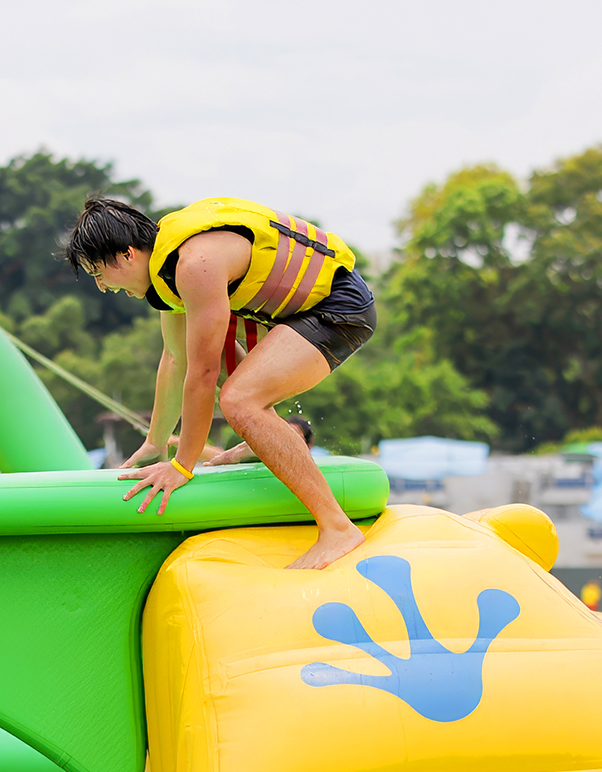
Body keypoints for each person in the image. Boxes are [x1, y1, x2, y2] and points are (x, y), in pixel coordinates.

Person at [65, 196, 375, 569]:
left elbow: (202, 373)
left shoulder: (195, 265)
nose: (101, 286)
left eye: (99, 273)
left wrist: (182, 467)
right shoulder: (169, 274)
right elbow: (175, 359)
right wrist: (155, 441)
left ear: (127, 255)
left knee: (239, 400)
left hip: (339, 309)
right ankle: (265, 439)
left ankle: (337, 528)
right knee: (216, 350)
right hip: (302, 316)